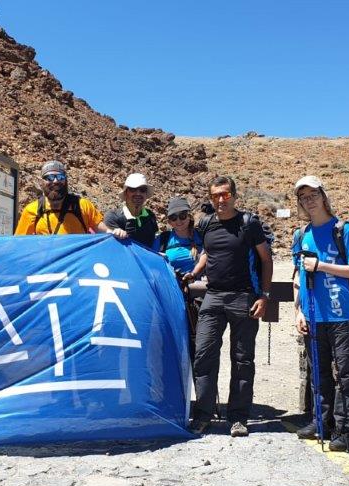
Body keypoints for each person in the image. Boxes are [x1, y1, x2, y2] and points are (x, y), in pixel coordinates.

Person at [182, 176, 273, 437]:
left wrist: (264, 296)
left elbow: (266, 259)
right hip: (213, 296)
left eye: (225, 194)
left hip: (243, 297)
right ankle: (203, 415)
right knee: (203, 355)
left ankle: (238, 418)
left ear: (234, 195)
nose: (221, 200)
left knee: (243, 360)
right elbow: (207, 253)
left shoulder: (249, 223)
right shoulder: (206, 224)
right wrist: (194, 272)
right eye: (215, 195)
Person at [292, 175, 349, 452]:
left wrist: (320, 265)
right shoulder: (301, 235)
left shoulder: (343, 230)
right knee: (318, 373)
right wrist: (298, 311)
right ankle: (320, 422)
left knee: (346, 375)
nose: (309, 201)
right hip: (313, 315)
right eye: (303, 198)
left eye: (313, 195)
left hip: (341, 314)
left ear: (323, 196)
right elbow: (298, 275)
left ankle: (346, 430)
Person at [14, 160, 127, 238]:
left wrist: (115, 232)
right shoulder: (32, 210)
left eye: (60, 177)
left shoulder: (83, 206)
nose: (55, 181)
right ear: (42, 182)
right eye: (49, 177)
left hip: (77, 265)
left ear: (66, 180)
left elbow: (103, 231)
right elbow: (19, 243)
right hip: (48, 265)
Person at [154, 196, 205, 359]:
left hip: (197, 296)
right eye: (173, 217)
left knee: (199, 341)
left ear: (189, 215)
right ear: (169, 221)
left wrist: (194, 273)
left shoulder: (200, 236)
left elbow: (207, 255)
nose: (178, 221)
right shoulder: (163, 239)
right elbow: (153, 261)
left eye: (182, 216)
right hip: (171, 294)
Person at [104, 173, 159, 246]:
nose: (138, 193)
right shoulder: (113, 217)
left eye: (142, 190)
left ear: (146, 194)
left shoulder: (151, 216)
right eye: (133, 189)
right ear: (126, 193)